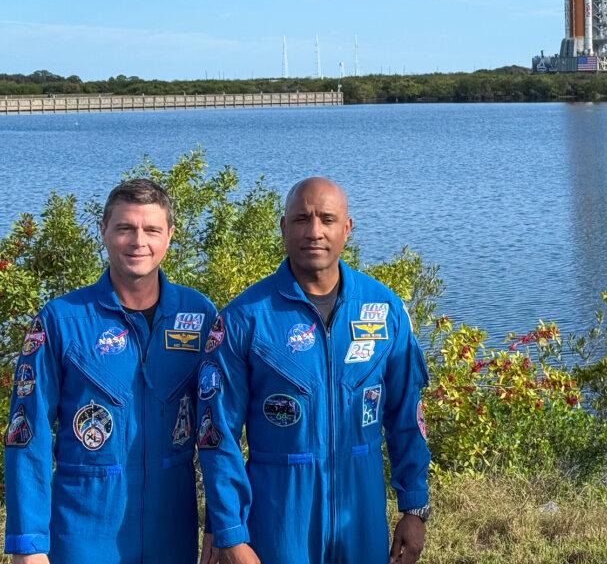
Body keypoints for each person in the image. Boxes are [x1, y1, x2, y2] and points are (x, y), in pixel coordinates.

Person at [198, 177, 430, 564]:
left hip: (362, 516)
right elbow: (217, 434)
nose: (315, 231)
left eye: (327, 218)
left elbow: (407, 416)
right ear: (283, 226)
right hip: (280, 521)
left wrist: (414, 507)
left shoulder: (384, 309)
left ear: (347, 228)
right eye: (302, 219)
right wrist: (230, 532)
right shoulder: (244, 319)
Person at [4, 179, 217, 564]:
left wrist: (220, 526)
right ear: (103, 231)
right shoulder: (61, 321)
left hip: (172, 528)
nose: (139, 241)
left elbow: (219, 429)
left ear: (169, 235)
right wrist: (28, 544)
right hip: (83, 531)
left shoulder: (199, 315)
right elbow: (26, 434)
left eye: (151, 229)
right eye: (125, 228)